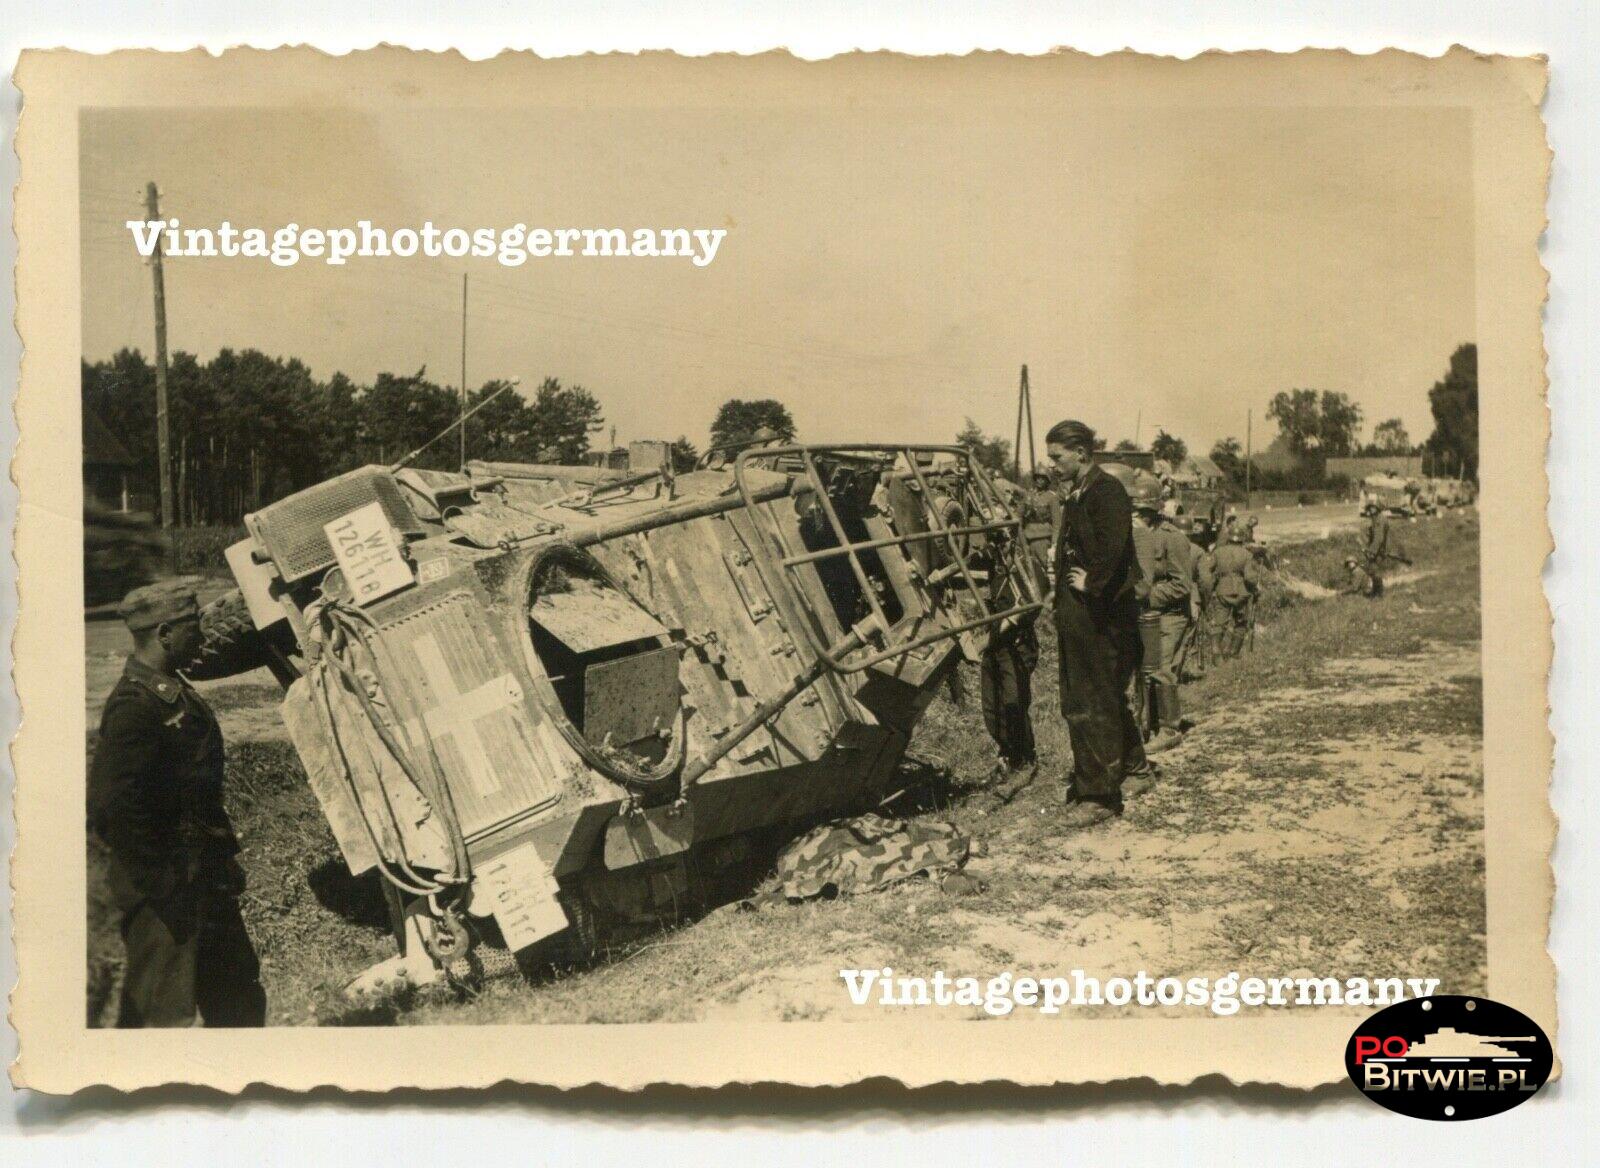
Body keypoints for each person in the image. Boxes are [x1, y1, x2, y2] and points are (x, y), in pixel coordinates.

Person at [89, 579, 266, 1028]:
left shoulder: (170, 691)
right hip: (165, 896)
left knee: (239, 1001)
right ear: (165, 633)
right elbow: (113, 808)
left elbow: (195, 793)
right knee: (161, 1019)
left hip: (204, 877)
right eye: (193, 625)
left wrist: (219, 861)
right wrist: (163, 884)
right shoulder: (135, 706)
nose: (203, 634)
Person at [1046, 420, 1150, 828]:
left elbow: (1115, 547)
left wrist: (1092, 582)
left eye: (1057, 457)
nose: (1051, 465)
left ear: (1081, 454)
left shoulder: (1106, 491)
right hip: (1081, 611)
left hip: (1101, 613)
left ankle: (1100, 795)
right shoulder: (1079, 491)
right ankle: (1135, 768)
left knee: (1090, 699)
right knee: (1098, 693)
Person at [1130, 476, 1195, 752]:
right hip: (1144, 614)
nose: (1136, 517)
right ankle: (1146, 725)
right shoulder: (1133, 536)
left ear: (1153, 512)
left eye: (1141, 512)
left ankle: (1169, 728)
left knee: (1159, 668)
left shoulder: (1172, 538)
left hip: (1170, 614)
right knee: (1143, 669)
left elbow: (1182, 585)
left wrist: (1147, 596)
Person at [1200, 526, 1261, 659]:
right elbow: (1249, 578)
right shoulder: (1247, 554)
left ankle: (1216, 651)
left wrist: (1209, 587)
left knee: (1219, 622)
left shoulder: (1218, 552)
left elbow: (1206, 570)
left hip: (1222, 590)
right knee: (1240, 623)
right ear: (1241, 539)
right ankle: (1234, 652)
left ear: (1229, 538)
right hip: (1241, 592)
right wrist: (1255, 588)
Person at [1020, 469, 1061, 575]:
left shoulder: (1052, 497)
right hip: (1026, 537)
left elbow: (1057, 522)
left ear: (1047, 481)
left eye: (1043, 478)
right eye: (1038, 478)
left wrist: (1054, 543)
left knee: (1042, 569)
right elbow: (1020, 516)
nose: (1039, 480)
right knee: (1026, 568)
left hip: (1042, 538)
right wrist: (1019, 534)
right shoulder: (1028, 495)